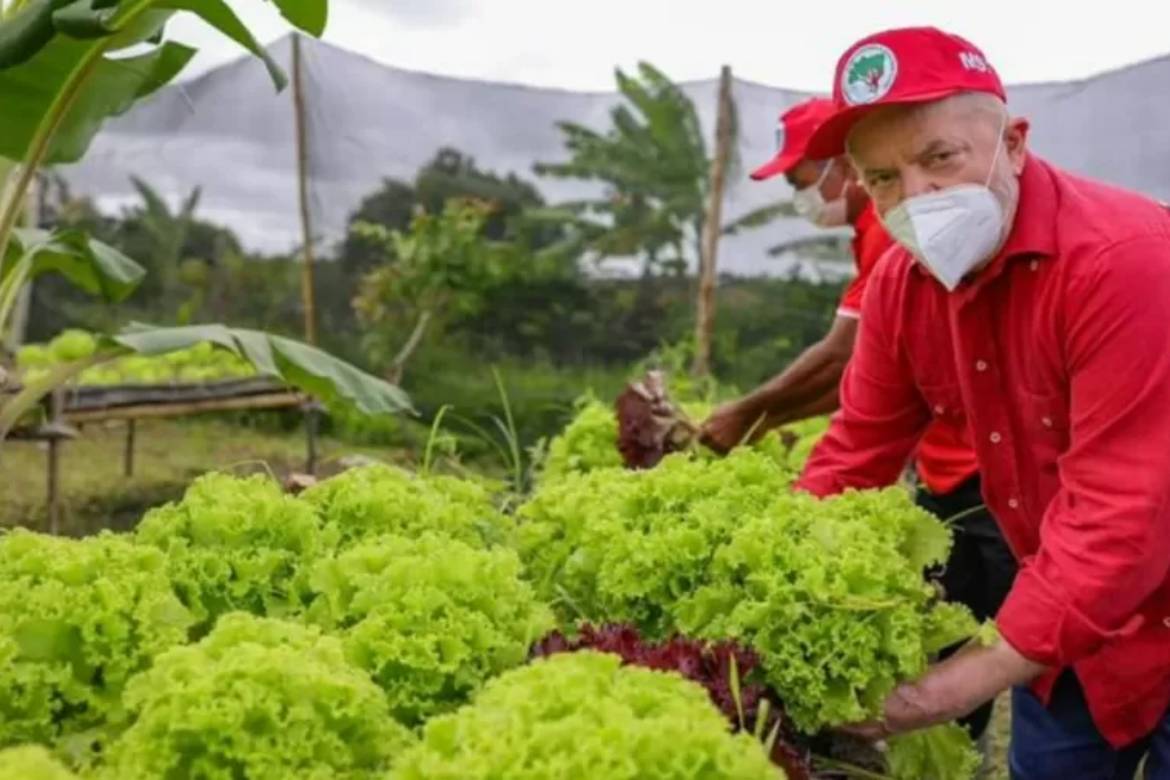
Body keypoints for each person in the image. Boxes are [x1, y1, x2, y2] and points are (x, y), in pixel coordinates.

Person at [796, 26, 1170, 778]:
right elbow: (855, 450)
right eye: (883, 179)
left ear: (1016, 144)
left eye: (940, 158)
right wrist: (765, 569)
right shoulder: (903, 287)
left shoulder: (1125, 262)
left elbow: (1122, 513)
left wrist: (938, 691)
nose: (917, 197)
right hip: (1065, 638)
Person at [701, 96, 1016, 744]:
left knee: (989, 633)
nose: (800, 199)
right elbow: (868, 400)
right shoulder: (882, 232)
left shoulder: (899, 226)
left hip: (989, 470)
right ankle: (956, 735)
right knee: (964, 621)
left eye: (798, 182)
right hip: (949, 465)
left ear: (838, 169)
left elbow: (842, 356)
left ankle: (956, 737)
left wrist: (745, 416)